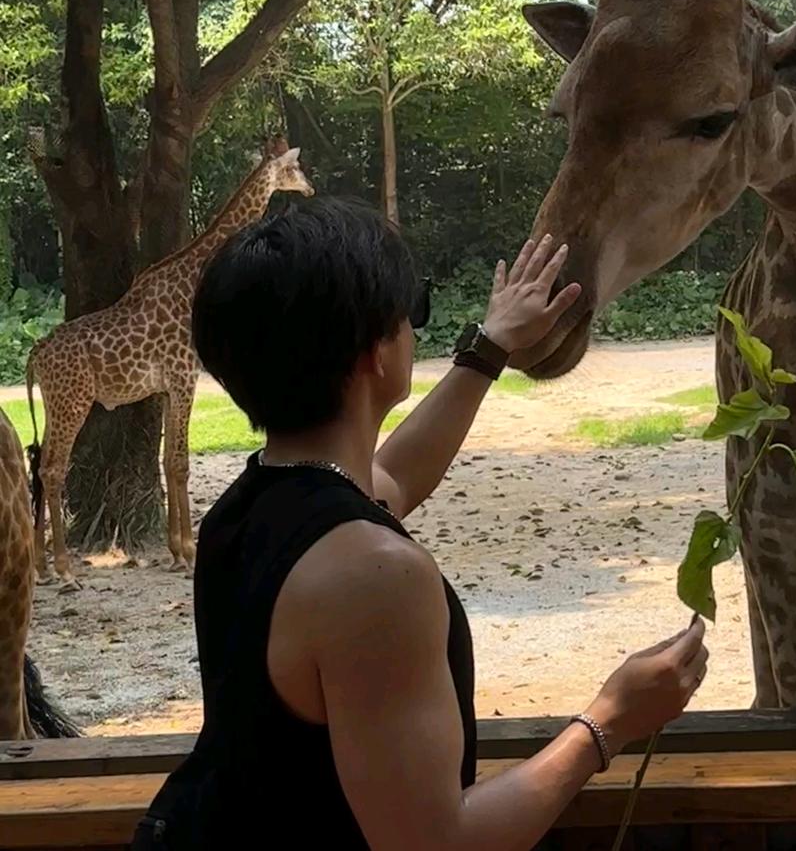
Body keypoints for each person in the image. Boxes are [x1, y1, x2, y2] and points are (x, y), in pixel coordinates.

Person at [131, 197, 708, 850]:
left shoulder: (251, 508)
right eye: (414, 311)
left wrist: (490, 347)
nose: (415, 327)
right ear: (376, 352)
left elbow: (391, 480)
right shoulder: (374, 577)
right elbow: (435, 844)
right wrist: (610, 720)